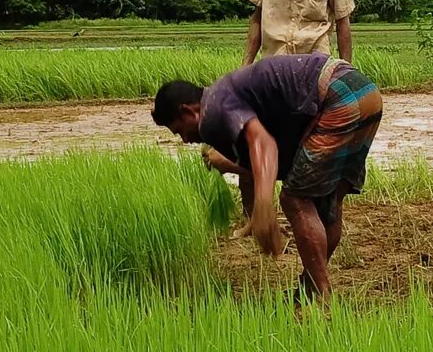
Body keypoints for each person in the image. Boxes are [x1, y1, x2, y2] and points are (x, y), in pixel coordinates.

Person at [152, 54, 383, 303]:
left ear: (188, 110)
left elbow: (264, 144)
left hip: (337, 98)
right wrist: (230, 165)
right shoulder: (228, 93)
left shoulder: (213, 108)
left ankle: (321, 297)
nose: (185, 139)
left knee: (295, 199)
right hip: (363, 92)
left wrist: (263, 205)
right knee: (326, 203)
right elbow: (280, 163)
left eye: (179, 130)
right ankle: (310, 287)